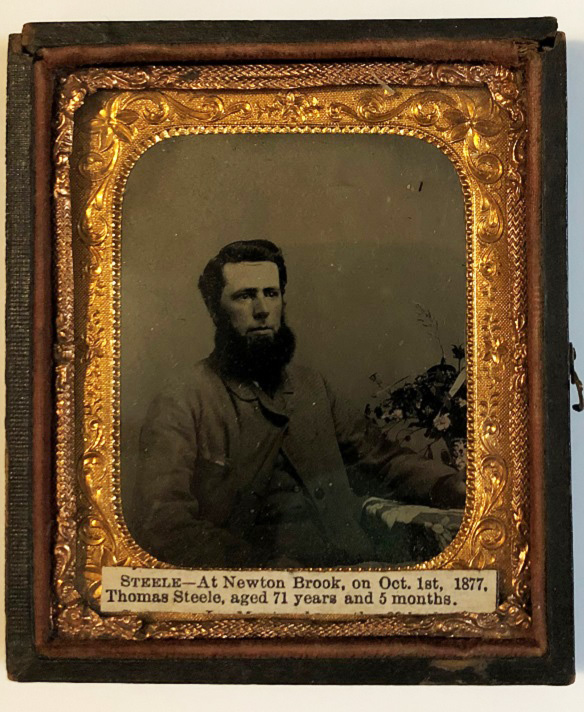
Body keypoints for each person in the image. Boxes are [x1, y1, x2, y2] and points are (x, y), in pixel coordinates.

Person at [132, 240, 465, 568]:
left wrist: (449, 485)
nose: (262, 310)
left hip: (346, 563)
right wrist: (262, 569)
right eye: (245, 296)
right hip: (252, 579)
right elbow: (163, 523)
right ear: (215, 310)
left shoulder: (310, 387)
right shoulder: (183, 399)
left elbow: (382, 457)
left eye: (271, 293)